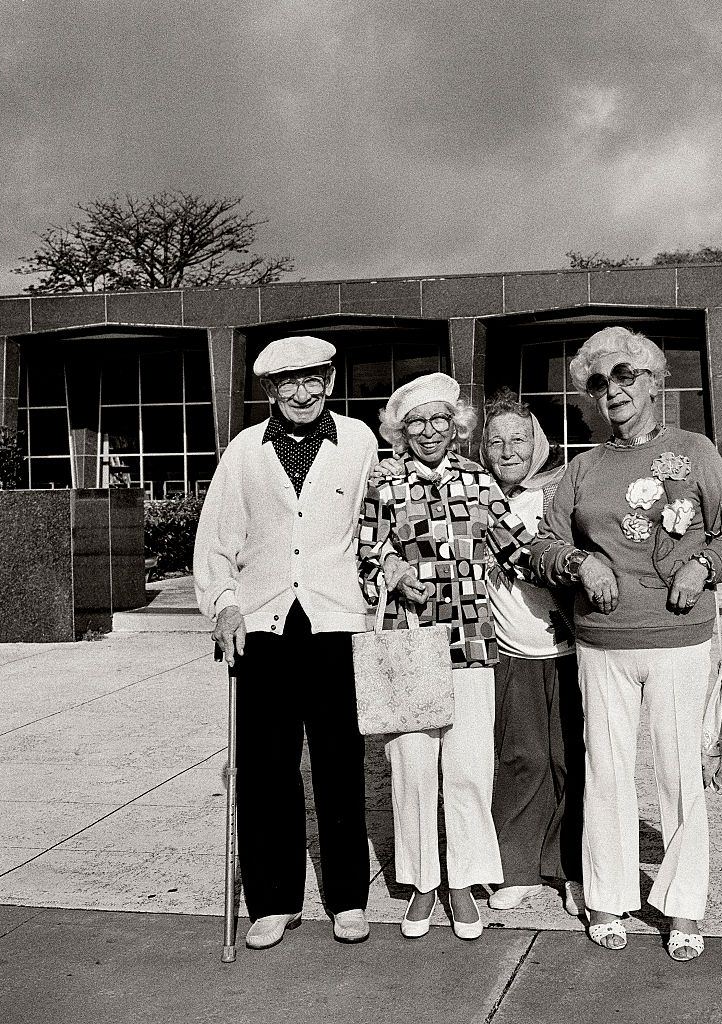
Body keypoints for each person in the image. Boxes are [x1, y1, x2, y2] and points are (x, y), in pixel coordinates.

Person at [530, 325, 722, 961]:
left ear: (654, 383)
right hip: (601, 643)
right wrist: (579, 565)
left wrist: (701, 566)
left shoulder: (696, 451)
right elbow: (541, 544)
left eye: (626, 377)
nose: (613, 391)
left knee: (680, 776)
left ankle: (682, 907)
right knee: (608, 772)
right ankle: (607, 894)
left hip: (680, 639)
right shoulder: (582, 469)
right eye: (599, 383)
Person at [193, 335, 377, 950]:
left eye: (315, 379)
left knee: (338, 764)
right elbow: (216, 540)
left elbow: (377, 523)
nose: (304, 392)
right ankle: (273, 901)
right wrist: (222, 605)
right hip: (263, 624)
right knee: (267, 766)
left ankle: (348, 899)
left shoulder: (358, 442)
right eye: (289, 383)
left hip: (333, 622)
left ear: (329, 380)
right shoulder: (245, 450)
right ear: (270, 389)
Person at [356, 372, 538, 941]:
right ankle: (421, 883)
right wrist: (392, 570)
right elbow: (362, 558)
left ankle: (464, 880)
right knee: (411, 770)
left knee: (467, 770)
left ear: (455, 427)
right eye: (417, 423)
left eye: (440, 421)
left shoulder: (478, 480)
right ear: (401, 431)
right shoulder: (384, 486)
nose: (430, 432)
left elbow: (519, 551)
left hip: (470, 646)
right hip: (409, 645)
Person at [478, 389, 584, 917]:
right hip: (510, 649)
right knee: (520, 759)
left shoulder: (561, 492)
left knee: (571, 761)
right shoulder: (475, 498)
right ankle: (515, 868)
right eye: (495, 441)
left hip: (569, 647)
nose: (507, 450)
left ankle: (570, 870)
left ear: (537, 442)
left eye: (518, 438)